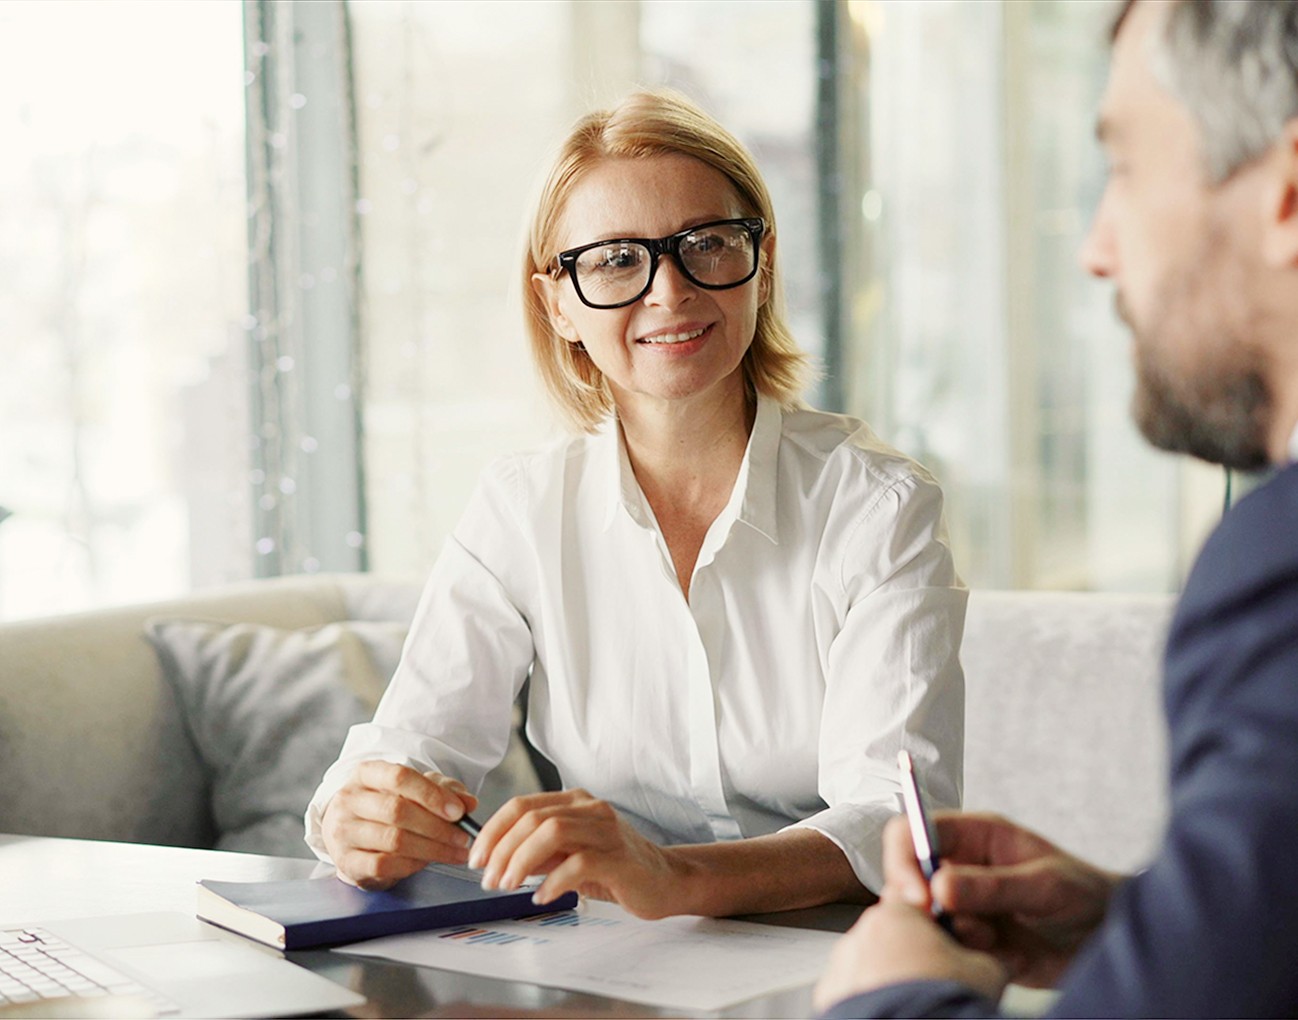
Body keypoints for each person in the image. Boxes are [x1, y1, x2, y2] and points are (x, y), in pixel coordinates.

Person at [305, 89, 966, 920]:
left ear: (760, 266)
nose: (670, 292)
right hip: (612, 962)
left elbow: (892, 818)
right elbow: (411, 749)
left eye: (707, 244)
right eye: (617, 259)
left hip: (839, 953)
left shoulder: (878, 504)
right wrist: (354, 818)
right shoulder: (522, 509)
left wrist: (672, 877)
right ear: (558, 304)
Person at [814, 0, 1298, 1015]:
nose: (1094, 247)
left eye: (1121, 168)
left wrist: (890, 999)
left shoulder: (1275, 568)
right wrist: (1141, 930)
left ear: (1284, 195)